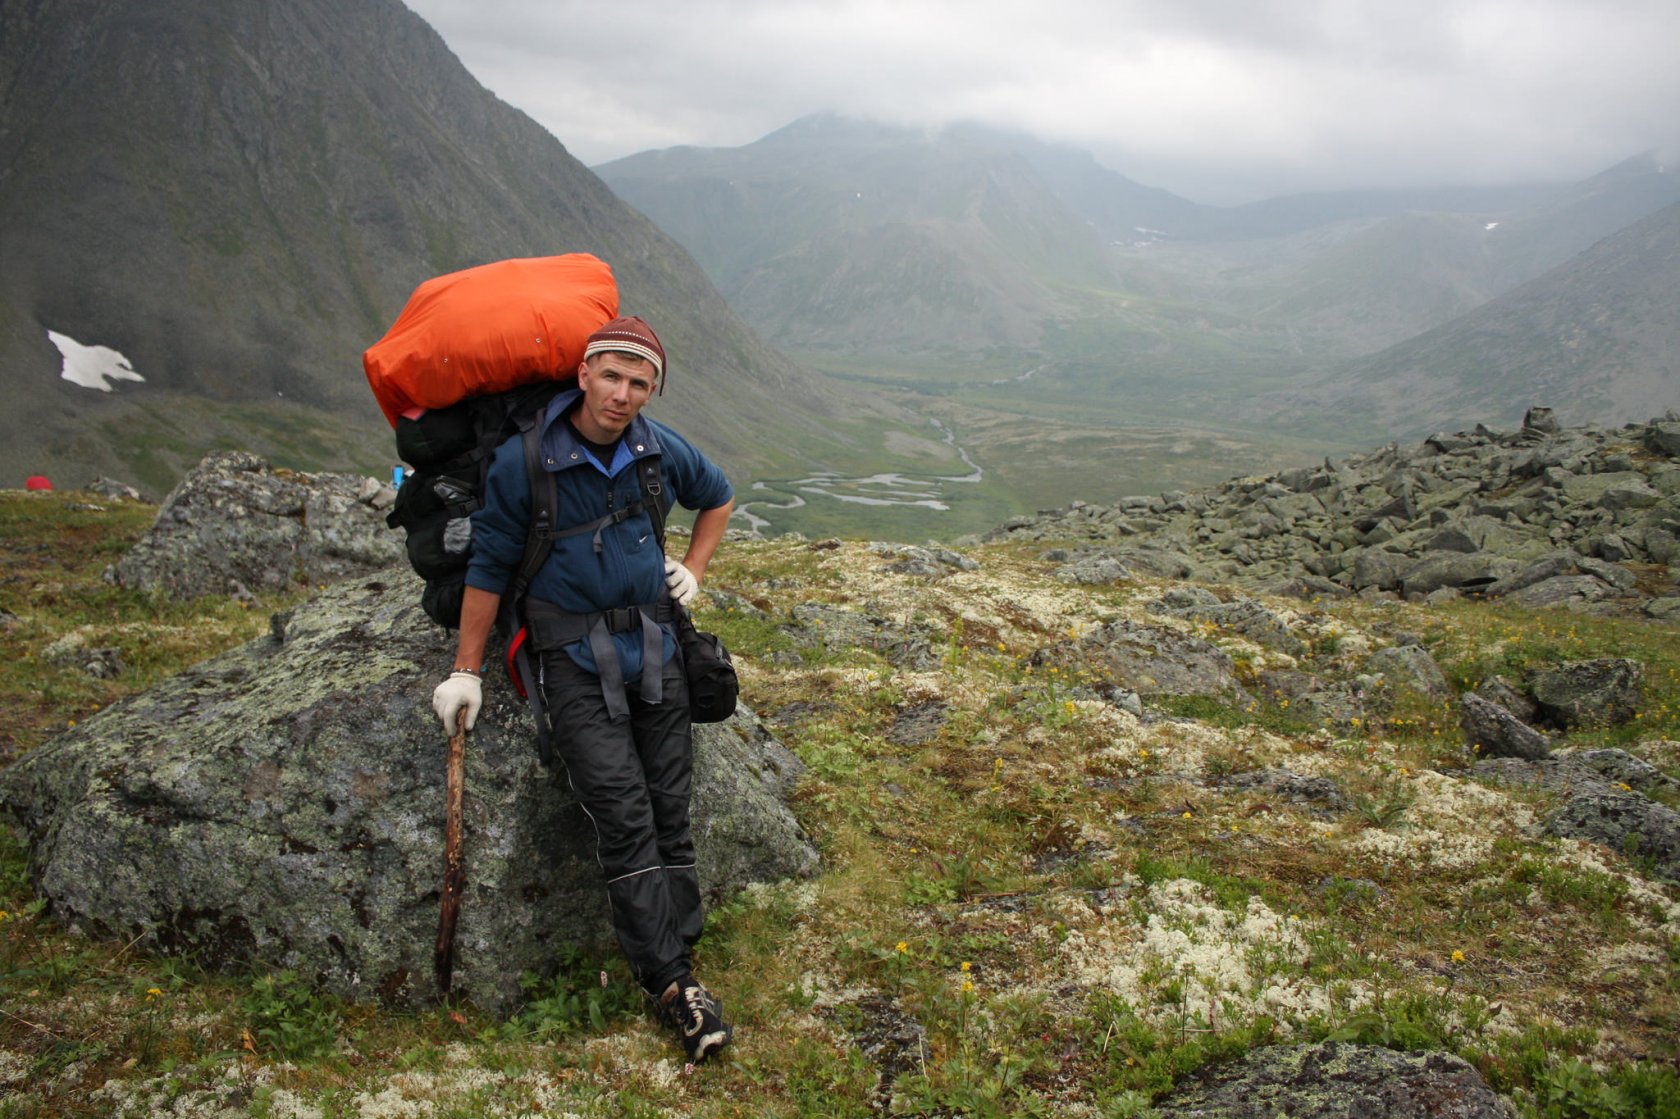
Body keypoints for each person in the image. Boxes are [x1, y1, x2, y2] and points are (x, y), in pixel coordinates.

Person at [431, 315, 737, 1063]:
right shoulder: (523, 461)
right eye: (612, 375)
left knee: (670, 804)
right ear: (584, 373)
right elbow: (489, 567)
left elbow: (718, 495)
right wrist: (466, 670)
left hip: (656, 645)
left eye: (640, 382)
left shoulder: (656, 448)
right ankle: (671, 983)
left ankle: (679, 945)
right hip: (571, 660)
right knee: (624, 814)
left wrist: (694, 568)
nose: (624, 394)